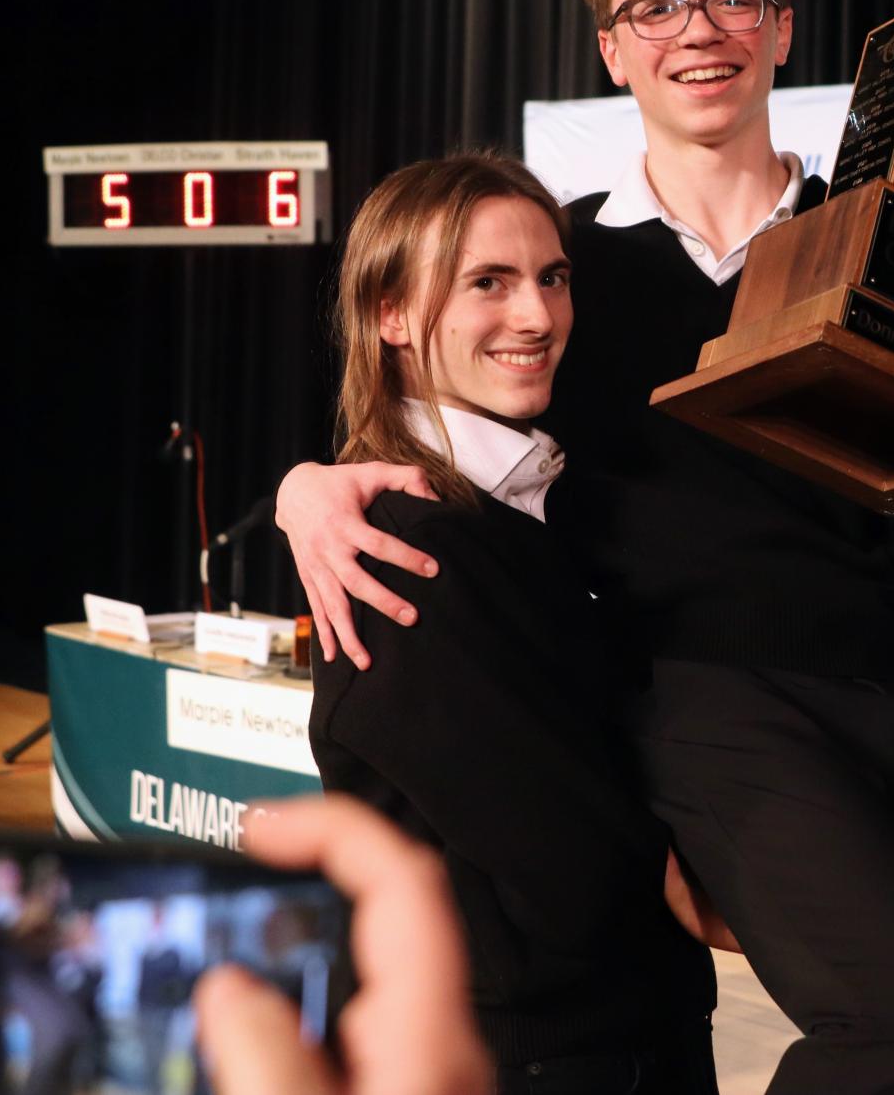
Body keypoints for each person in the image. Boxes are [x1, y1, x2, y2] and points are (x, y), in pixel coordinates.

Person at [279, 0, 894, 1092]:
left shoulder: (876, 235)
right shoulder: (569, 278)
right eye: (656, 7)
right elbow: (422, 399)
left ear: (785, 29)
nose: (699, 30)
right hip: (729, 704)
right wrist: (307, 482)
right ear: (611, 49)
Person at [307, 152, 718, 1093]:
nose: (535, 316)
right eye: (486, 283)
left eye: (551, 278)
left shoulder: (544, 503)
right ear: (391, 314)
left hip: (620, 1032)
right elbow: (565, 865)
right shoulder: (407, 549)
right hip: (539, 1056)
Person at [0, 764, 494, 1095]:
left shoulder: (55, 913)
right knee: (52, 1029)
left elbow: (46, 918)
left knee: (68, 1029)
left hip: (39, 960)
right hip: (2, 967)